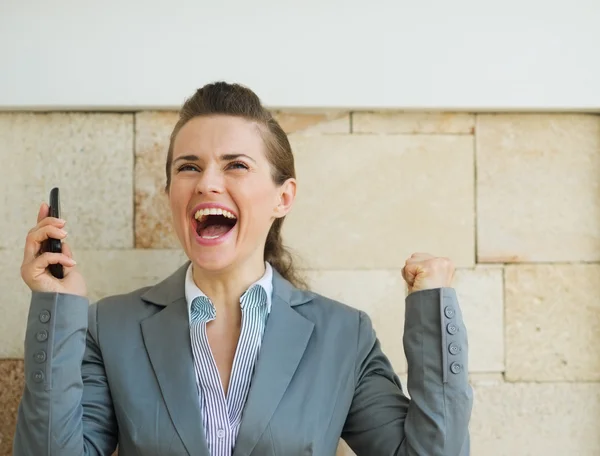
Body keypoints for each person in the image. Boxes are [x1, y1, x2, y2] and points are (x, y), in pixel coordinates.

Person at [13, 82, 473, 456]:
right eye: (188, 167)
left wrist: (433, 313)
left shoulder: (342, 335)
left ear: (283, 197)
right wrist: (58, 305)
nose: (207, 183)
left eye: (235, 165)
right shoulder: (111, 327)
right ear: (171, 190)